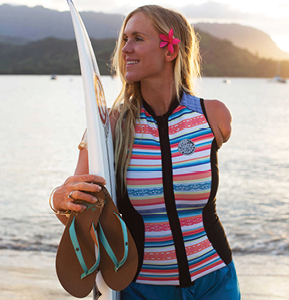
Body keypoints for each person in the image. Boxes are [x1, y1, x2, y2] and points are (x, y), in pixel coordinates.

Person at [49, 5, 240, 299]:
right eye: (124, 39)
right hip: (140, 288)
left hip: (216, 281)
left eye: (137, 38)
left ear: (170, 50)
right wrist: (59, 199)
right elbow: (81, 216)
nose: (126, 49)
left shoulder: (212, 116)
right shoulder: (109, 126)